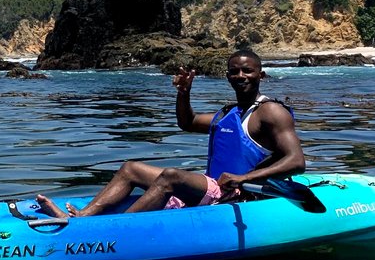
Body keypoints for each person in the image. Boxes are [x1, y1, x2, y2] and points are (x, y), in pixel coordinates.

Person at [38, 49, 305, 217]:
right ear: (227, 76)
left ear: (261, 74)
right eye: (234, 71)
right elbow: (187, 122)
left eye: (248, 70)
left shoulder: (271, 112)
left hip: (240, 193)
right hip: (214, 187)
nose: (240, 75)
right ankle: (82, 217)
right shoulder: (228, 113)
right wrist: (183, 94)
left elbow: (296, 161)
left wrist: (243, 177)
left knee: (171, 176)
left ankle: (120, 228)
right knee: (131, 168)